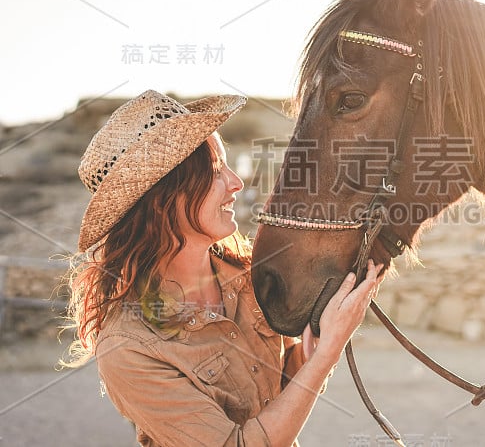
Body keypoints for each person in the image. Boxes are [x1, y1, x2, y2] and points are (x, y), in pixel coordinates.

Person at [61, 90, 383, 446]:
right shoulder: (129, 348)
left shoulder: (248, 276)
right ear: (165, 196)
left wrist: (317, 339)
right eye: (215, 169)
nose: (236, 182)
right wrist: (327, 354)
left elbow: (284, 387)